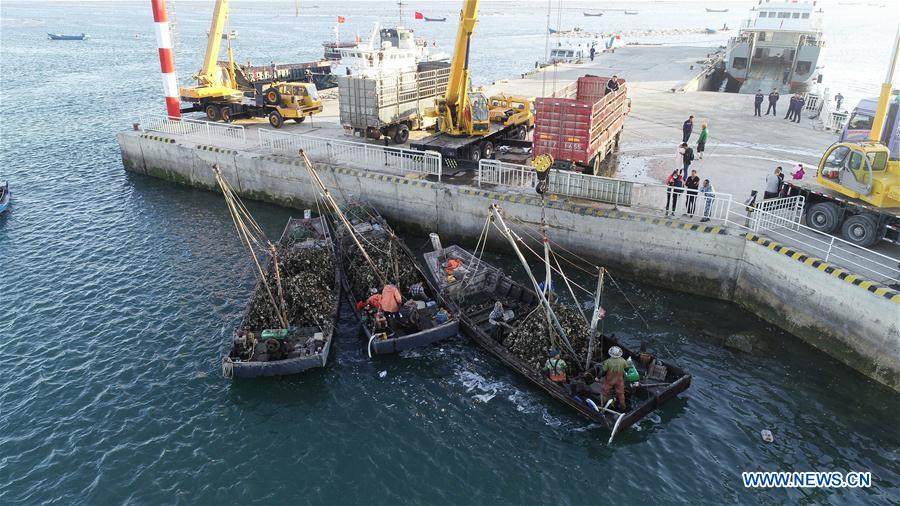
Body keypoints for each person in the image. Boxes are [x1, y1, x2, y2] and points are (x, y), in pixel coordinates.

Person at [600, 346, 627, 410]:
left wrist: (598, 377)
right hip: (619, 380)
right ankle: (623, 407)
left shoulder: (608, 362)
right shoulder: (623, 361)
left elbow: (603, 371)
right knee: (621, 394)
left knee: (605, 392)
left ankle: (604, 405)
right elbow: (627, 369)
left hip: (610, 380)